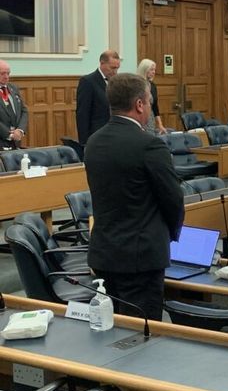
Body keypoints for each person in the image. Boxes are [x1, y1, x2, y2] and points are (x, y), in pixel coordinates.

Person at [84, 73, 184, 320]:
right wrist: (169, 236)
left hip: (105, 252)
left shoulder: (93, 142)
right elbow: (173, 200)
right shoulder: (150, 145)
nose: (150, 107)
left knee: (113, 330)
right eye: (149, 101)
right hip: (142, 256)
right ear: (139, 104)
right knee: (142, 336)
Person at [76, 50, 120, 144]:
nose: (115, 71)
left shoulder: (117, 82)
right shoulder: (88, 81)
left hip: (114, 135)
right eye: (112, 68)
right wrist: (84, 142)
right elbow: (82, 114)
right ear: (102, 63)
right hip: (96, 136)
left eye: (117, 68)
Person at [0, 59, 28, 149]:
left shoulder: (13, 88)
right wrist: (9, 134)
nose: (6, 76)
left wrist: (20, 130)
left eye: (8, 73)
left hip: (15, 142)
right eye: (2, 73)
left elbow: (24, 111)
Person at [136, 59, 166, 135]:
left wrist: (160, 124)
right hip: (139, 118)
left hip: (150, 119)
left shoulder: (152, 85)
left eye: (154, 70)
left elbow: (155, 106)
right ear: (144, 69)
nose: (154, 72)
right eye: (151, 70)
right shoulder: (136, 84)